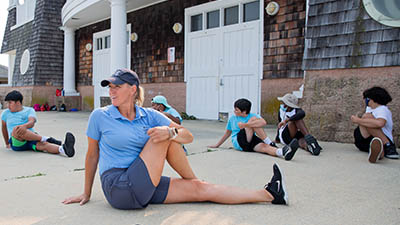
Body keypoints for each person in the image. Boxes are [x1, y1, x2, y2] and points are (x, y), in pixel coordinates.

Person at [63, 69, 290, 209]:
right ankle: (193, 179)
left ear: (133, 90)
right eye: (110, 87)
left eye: (117, 87)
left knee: (202, 190)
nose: (111, 91)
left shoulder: (150, 115)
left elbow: (187, 136)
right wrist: (87, 193)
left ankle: (270, 194)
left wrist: (171, 132)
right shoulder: (100, 116)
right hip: (118, 187)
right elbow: (92, 155)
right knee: (162, 138)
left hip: (144, 182)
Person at [208, 98, 299, 161]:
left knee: (264, 147)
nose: (234, 111)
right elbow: (227, 133)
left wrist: (245, 124)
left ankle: (282, 152)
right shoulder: (233, 119)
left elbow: (263, 123)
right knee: (254, 121)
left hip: (250, 140)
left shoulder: (252, 116)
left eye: (236, 110)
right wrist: (217, 145)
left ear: (244, 111)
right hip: (240, 141)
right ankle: (269, 142)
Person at [1, 90, 75, 157]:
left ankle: (63, 149)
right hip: (17, 141)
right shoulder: (6, 113)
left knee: (43, 145)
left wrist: (24, 126)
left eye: (10, 103)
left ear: (18, 102)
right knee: (16, 129)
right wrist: (7, 143)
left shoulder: (29, 110)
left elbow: (31, 122)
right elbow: (4, 128)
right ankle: (46, 138)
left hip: (31, 137)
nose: (8, 106)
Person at [351, 86, 399, 163]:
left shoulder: (382, 109)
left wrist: (358, 120)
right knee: (366, 118)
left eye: (367, 99)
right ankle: (378, 151)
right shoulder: (370, 109)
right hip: (367, 139)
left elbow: (380, 123)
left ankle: (386, 147)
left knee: (367, 118)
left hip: (382, 139)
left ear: (373, 99)